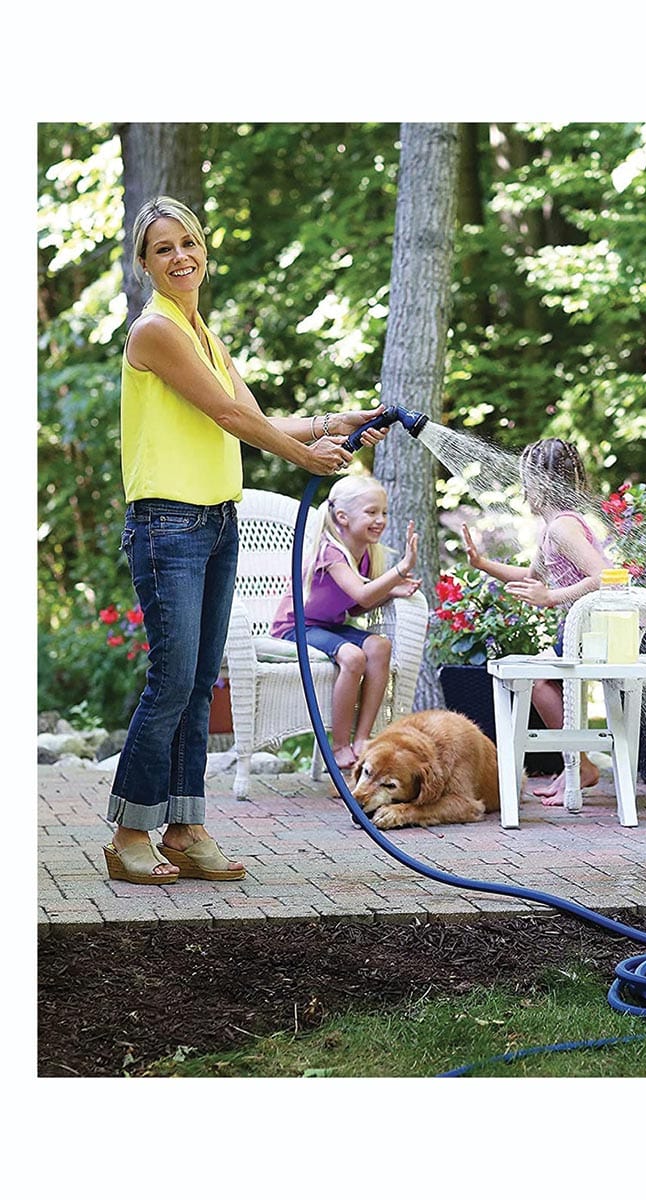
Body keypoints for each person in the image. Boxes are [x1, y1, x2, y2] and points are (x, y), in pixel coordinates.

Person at [103, 195, 390, 885]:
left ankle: (186, 826)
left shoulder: (203, 333)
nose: (180, 257)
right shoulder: (156, 331)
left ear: (205, 250)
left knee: (201, 683)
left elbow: (258, 417)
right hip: (167, 522)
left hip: (214, 521)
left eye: (188, 243)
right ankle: (128, 834)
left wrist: (340, 419)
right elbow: (231, 415)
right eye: (164, 248)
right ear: (144, 264)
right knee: (171, 680)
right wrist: (307, 458)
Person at [461, 437, 612, 805]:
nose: (523, 487)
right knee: (547, 681)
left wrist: (553, 598)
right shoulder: (551, 530)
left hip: (590, 629)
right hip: (575, 628)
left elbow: (605, 575)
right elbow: (532, 576)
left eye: (526, 479)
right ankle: (575, 766)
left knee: (540, 681)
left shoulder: (563, 528)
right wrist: (482, 564)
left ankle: (579, 763)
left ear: (541, 483)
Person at [270, 474, 420, 770]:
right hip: (295, 627)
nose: (380, 520)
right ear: (342, 516)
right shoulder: (331, 551)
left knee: (379, 647)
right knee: (353, 657)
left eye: (384, 513)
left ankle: (362, 739)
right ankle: (338, 746)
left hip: (328, 626)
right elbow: (363, 595)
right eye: (371, 512)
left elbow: (355, 608)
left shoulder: (364, 551)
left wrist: (390, 592)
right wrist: (400, 570)